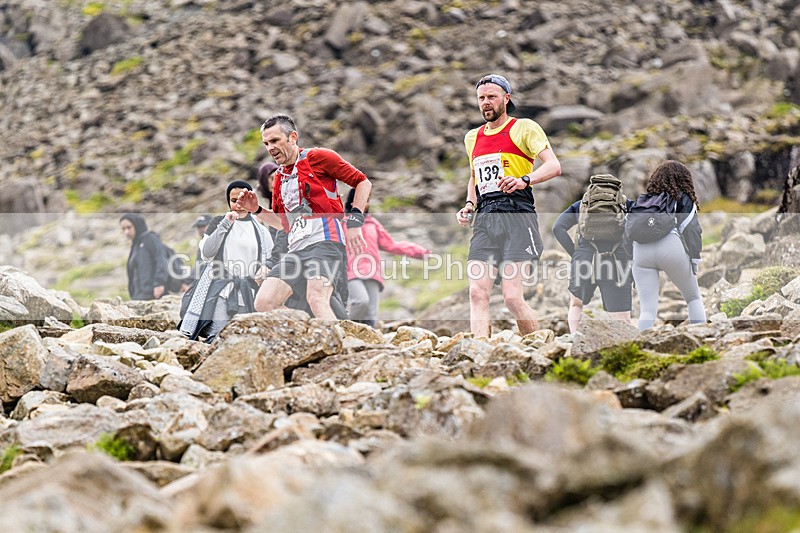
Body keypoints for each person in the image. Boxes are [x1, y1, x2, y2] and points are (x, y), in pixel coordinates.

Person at [237, 114, 372, 320]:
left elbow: (362, 182)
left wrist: (355, 222)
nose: (270, 148)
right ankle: (309, 335)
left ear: (293, 137)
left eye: (275, 141)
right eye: (266, 143)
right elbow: (284, 225)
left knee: (316, 298)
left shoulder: (318, 157)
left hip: (326, 241)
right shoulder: (280, 178)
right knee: (263, 302)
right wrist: (257, 210)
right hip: (297, 248)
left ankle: (339, 349)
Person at [456, 74, 561, 337]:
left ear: (506, 98)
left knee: (512, 298)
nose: (486, 103)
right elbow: (474, 177)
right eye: (481, 98)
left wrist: (524, 179)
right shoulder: (472, 137)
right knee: (477, 292)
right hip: (486, 216)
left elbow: (554, 166)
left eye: (492, 96)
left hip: (517, 214)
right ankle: (480, 351)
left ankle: (534, 345)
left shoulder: (525, 127)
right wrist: (469, 204)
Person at [179, 180, 273, 341]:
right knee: (217, 336)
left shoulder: (261, 231)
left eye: (243, 199)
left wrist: (265, 268)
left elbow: (270, 258)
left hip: (249, 291)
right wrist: (226, 223)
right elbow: (206, 253)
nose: (238, 204)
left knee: (245, 338)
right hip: (221, 290)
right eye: (234, 200)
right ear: (228, 202)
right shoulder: (218, 222)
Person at [625, 160, 705, 330]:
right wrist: (694, 259)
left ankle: (639, 348)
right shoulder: (682, 198)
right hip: (670, 247)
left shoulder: (643, 201)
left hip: (640, 252)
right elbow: (691, 229)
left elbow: (628, 232)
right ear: (683, 179)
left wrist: (631, 261)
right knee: (693, 298)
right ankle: (701, 337)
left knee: (647, 310)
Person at [344, 188, 431, 328]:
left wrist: (420, 252)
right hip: (351, 271)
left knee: (371, 314)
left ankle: (368, 343)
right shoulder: (342, 222)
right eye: (360, 199)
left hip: (372, 273)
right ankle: (346, 330)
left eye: (366, 200)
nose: (364, 204)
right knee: (361, 302)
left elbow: (392, 245)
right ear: (352, 201)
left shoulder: (373, 224)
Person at [552, 191, 634, 334]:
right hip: (616, 261)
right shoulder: (626, 204)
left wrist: (575, 254)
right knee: (621, 317)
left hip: (584, 259)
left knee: (576, 305)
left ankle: (575, 342)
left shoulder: (582, 204)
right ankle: (623, 350)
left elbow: (557, 228)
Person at [119, 213, 169, 301]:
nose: (126, 232)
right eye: (123, 229)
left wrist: (159, 283)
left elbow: (161, 259)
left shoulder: (150, 238)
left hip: (153, 295)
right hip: (138, 296)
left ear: (136, 225)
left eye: (129, 227)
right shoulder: (135, 245)